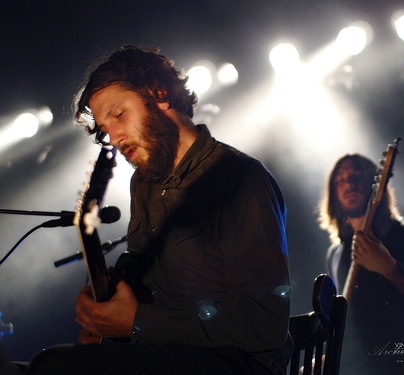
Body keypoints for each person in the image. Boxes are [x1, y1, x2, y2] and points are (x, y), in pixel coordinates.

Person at [25, 46, 291, 375]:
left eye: (119, 114)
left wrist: (138, 322)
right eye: (106, 130)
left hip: (235, 364)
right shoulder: (144, 184)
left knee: (54, 367)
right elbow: (149, 286)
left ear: (159, 92)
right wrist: (106, 307)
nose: (115, 136)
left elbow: (266, 322)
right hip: (166, 356)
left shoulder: (240, 177)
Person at [318, 153, 404, 375]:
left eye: (357, 175)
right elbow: (348, 321)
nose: (350, 183)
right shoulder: (334, 255)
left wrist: (390, 268)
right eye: (341, 179)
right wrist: (330, 355)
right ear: (333, 195)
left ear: (377, 185)